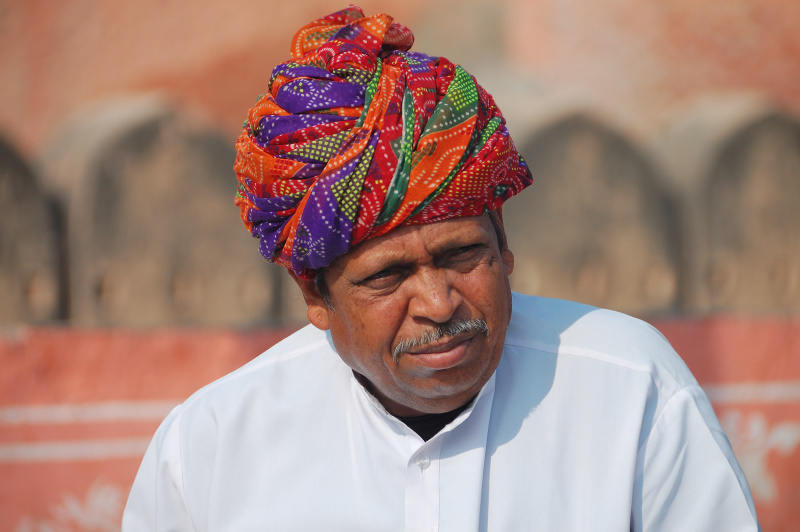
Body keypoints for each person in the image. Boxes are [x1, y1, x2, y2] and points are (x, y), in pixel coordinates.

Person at [123, 6, 760, 531]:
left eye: (461, 255)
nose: (438, 303)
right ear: (314, 294)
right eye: (387, 276)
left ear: (503, 243)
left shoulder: (632, 389)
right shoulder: (210, 450)